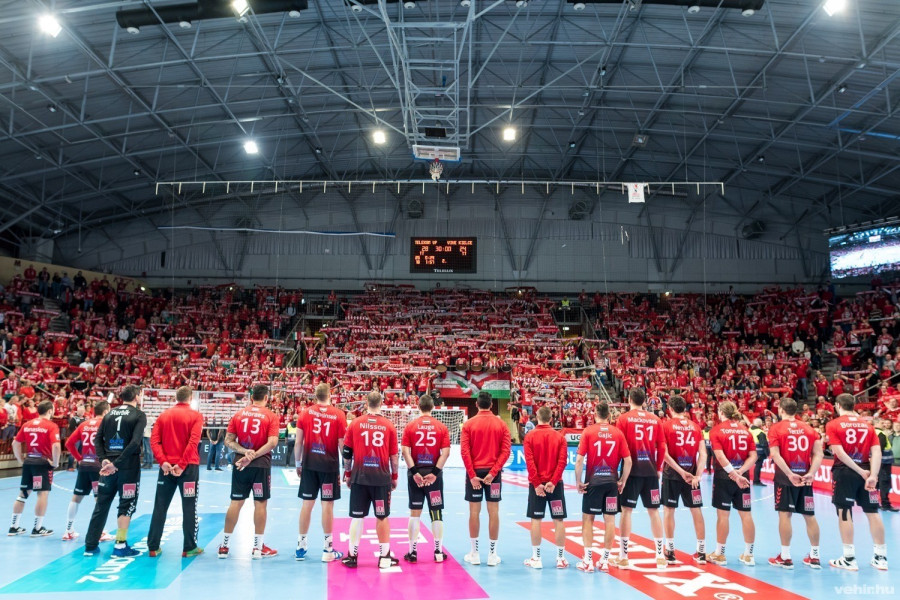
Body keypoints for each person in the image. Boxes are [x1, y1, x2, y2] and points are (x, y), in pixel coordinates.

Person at [826, 394, 888, 571]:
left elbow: (839, 452)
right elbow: (876, 453)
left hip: (845, 472)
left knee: (844, 512)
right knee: (873, 512)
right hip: (867, 470)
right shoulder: (868, 426)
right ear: (854, 405)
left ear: (838, 406)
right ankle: (881, 557)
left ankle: (849, 558)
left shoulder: (834, 424)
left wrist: (859, 471)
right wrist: (872, 475)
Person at [217, 384, 280, 559]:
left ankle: (224, 546)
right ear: (266, 398)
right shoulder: (270, 416)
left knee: (235, 502)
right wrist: (253, 455)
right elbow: (273, 442)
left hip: (240, 464)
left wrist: (245, 452)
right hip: (260, 465)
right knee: (260, 503)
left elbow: (229, 441)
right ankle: (258, 548)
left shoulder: (239, 414)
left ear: (251, 397)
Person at [84, 385, 146, 557]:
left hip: (107, 467)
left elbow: (97, 439)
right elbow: (134, 443)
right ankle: (120, 545)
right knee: (126, 505)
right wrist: (116, 463)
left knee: (101, 504)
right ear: (135, 396)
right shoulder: (139, 415)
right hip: (127, 468)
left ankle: (90, 545)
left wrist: (104, 459)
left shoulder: (109, 413)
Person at [340, 391, 400, 570]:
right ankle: (384, 557)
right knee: (382, 517)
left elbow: (347, 453)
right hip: (381, 479)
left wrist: (348, 474)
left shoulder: (356, 423)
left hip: (360, 477)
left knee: (357, 517)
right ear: (381, 403)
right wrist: (394, 476)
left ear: (366, 403)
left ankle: (352, 556)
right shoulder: (389, 426)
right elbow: (394, 456)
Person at [574, 401, 632, 573]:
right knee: (610, 521)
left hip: (594, 482)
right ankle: (605, 561)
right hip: (611, 483)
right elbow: (628, 461)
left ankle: (588, 561)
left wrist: (578, 481)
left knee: (588, 520)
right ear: (609, 416)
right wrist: (622, 480)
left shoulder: (589, 431)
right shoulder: (618, 433)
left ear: (595, 415)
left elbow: (578, 460)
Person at [766, 398, 824, 569]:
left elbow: (775, 455)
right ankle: (815, 556)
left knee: (785, 514)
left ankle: (785, 556)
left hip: (785, 478)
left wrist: (790, 474)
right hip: (805, 476)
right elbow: (819, 454)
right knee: (809, 515)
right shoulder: (809, 428)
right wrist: (811, 473)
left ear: (781, 409)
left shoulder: (776, 428)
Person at [147, 386, 205, 558]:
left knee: (160, 506)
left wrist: (163, 461)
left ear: (176, 398)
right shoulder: (196, 416)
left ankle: (153, 546)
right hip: (188, 469)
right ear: (191, 397)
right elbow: (193, 443)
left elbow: (154, 441)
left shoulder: (163, 415)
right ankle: (189, 547)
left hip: (166, 469)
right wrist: (181, 464)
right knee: (189, 506)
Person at [615, 388, 667, 569]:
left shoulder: (623, 418)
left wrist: (618, 474)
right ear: (645, 401)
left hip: (631, 472)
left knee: (626, 511)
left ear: (629, 399)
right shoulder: (655, 419)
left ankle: (623, 556)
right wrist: (659, 467)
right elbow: (662, 447)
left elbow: (618, 446)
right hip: (651, 470)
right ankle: (660, 555)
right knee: (654, 512)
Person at [295, 383, 347, 563]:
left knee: (307, 504)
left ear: (315, 396)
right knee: (327, 506)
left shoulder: (305, 413)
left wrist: (298, 463)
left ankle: (301, 546)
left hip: (309, 464)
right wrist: (347, 467)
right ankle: (327, 549)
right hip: (329, 466)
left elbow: (298, 443)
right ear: (330, 395)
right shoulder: (338, 414)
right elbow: (342, 444)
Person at [460, 391, 512, 567]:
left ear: (476, 404)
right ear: (491, 405)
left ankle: (474, 554)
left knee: (474, 512)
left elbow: (464, 452)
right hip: (493, 475)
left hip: (474, 473)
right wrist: (494, 472)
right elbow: (506, 451)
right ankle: (492, 554)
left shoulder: (468, 424)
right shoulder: (501, 424)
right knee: (494, 512)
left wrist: (472, 475)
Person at [401, 393, 451, 564]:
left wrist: (414, 472)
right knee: (436, 513)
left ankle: (412, 552)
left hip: (415, 474)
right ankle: (438, 552)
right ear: (433, 407)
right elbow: (446, 453)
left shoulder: (410, 426)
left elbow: (405, 452)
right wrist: (435, 473)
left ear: (418, 406)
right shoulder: (441, 427)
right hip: (433, 475)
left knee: (415, 513)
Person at [707, 401, 757, 567]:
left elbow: (720, 457)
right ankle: (749, 554)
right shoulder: (746, 431)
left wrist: (734, 474)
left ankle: (720, 554)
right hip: (743, 477)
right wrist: (741, 472)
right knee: (746, 514)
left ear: (721, 412)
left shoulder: (717, 430)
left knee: (723, 515)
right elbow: (753, 456)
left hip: (724, 476)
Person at [660, 395, 707, 565]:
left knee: (668, 511)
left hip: (672, 475)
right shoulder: (695, 427)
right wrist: (698, 475)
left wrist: (680, 471)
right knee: (696, 510)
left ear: (670, 409)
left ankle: (670, 551)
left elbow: (664, 454)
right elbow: (703, 454)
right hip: (692, 476)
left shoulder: (665, 426)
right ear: (685, 409)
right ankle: (702, 552)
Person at [522, 406, 569, 569]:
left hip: (537, 488)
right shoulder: (560, 437)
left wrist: (537, 484)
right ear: (551, 418)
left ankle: (536, 558)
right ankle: (561, 558)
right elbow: (562, 462)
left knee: (536, 520)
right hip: (555, 486)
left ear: (537, 417)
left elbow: (530, 463)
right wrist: (554, 482)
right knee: (559, 520)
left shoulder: (530, 437)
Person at [62, 401, 114, 542]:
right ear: (105, 412)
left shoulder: (84, 424)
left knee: (76, 497)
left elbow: (69, 443)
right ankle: (100, 532)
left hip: (85, 465)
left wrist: (79, 458)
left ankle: (68, 531)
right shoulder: (106, 424)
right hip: (99, 466)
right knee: (100, 499)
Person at [9, 400, 60, 537]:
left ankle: (14, 526)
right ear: (50, 411)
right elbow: (56, 446)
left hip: (29, 462)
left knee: (23, 493)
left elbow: (15, 443)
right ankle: (37, 528)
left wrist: (20, 460)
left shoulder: (27, 424)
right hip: (42, 464)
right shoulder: (51, 425)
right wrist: (55, 462)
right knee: (42, 493)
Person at [874, 418, 898, 512]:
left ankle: (874, 503)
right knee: (885, 484)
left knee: (874, 484)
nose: (884, 424)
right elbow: (880, 448)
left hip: (875, 463)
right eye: (882, 422)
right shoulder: (881, 433)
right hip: (884, 463)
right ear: (876, 423)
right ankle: (886, 504)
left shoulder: (871, 432)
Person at [749, 418, 769, 486]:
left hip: (750, 452)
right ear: (761, 425)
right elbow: (764, 444)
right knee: (758, 466)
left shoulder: (749, 430)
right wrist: (767, 453)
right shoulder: (760, 432)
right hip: (759, 452)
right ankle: (756, 481)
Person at [66, 404, 86, 471]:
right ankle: (70, 466)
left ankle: (79, 466)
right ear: (77, 411)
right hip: (76, 438)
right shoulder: (74, 418)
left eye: (83, 410)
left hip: (83, 438)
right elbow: (71, 428)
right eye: (80, 410)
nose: (82, 412)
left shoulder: (85, 419)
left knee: (81, 452)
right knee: (73, 452)